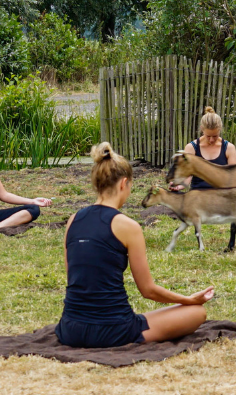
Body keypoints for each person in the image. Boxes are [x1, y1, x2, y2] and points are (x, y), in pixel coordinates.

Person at [55, 142, 215, 348]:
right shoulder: (128, 226)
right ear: (123, 184)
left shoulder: (73, 220)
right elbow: (148, 290)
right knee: (197, 313)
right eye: (130, 186)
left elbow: (73, 280)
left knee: (144, 316)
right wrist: (189, 300)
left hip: (70, 329)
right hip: (113, 331)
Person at [170, 106, 236, 191]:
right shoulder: (191, 148)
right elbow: (188, 174)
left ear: (220, 130)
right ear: (202, 129)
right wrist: (181, 185)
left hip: (220, 196)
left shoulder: (229, 148)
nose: (211, 140)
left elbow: (232, 177)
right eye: (208, 136)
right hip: (198, 195)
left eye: (215, 136)